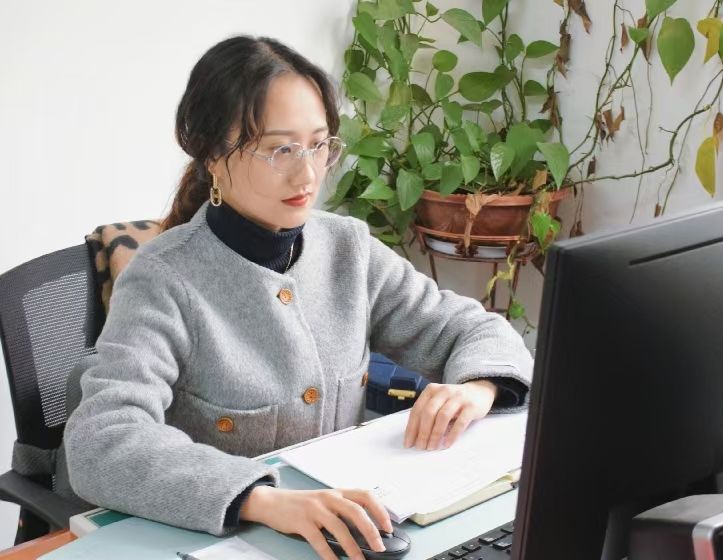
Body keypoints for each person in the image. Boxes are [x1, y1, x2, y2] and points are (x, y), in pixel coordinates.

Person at [64, 35, 533, 560]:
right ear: (213, 155)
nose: (307, 173)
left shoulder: (348, 247)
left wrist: (478, 387)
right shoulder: (163, 280)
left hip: (353, 533)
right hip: (228, 543)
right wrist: (262, 499)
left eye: (318, 144)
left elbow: (470, 328)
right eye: (280, 149)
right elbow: (101, 440)